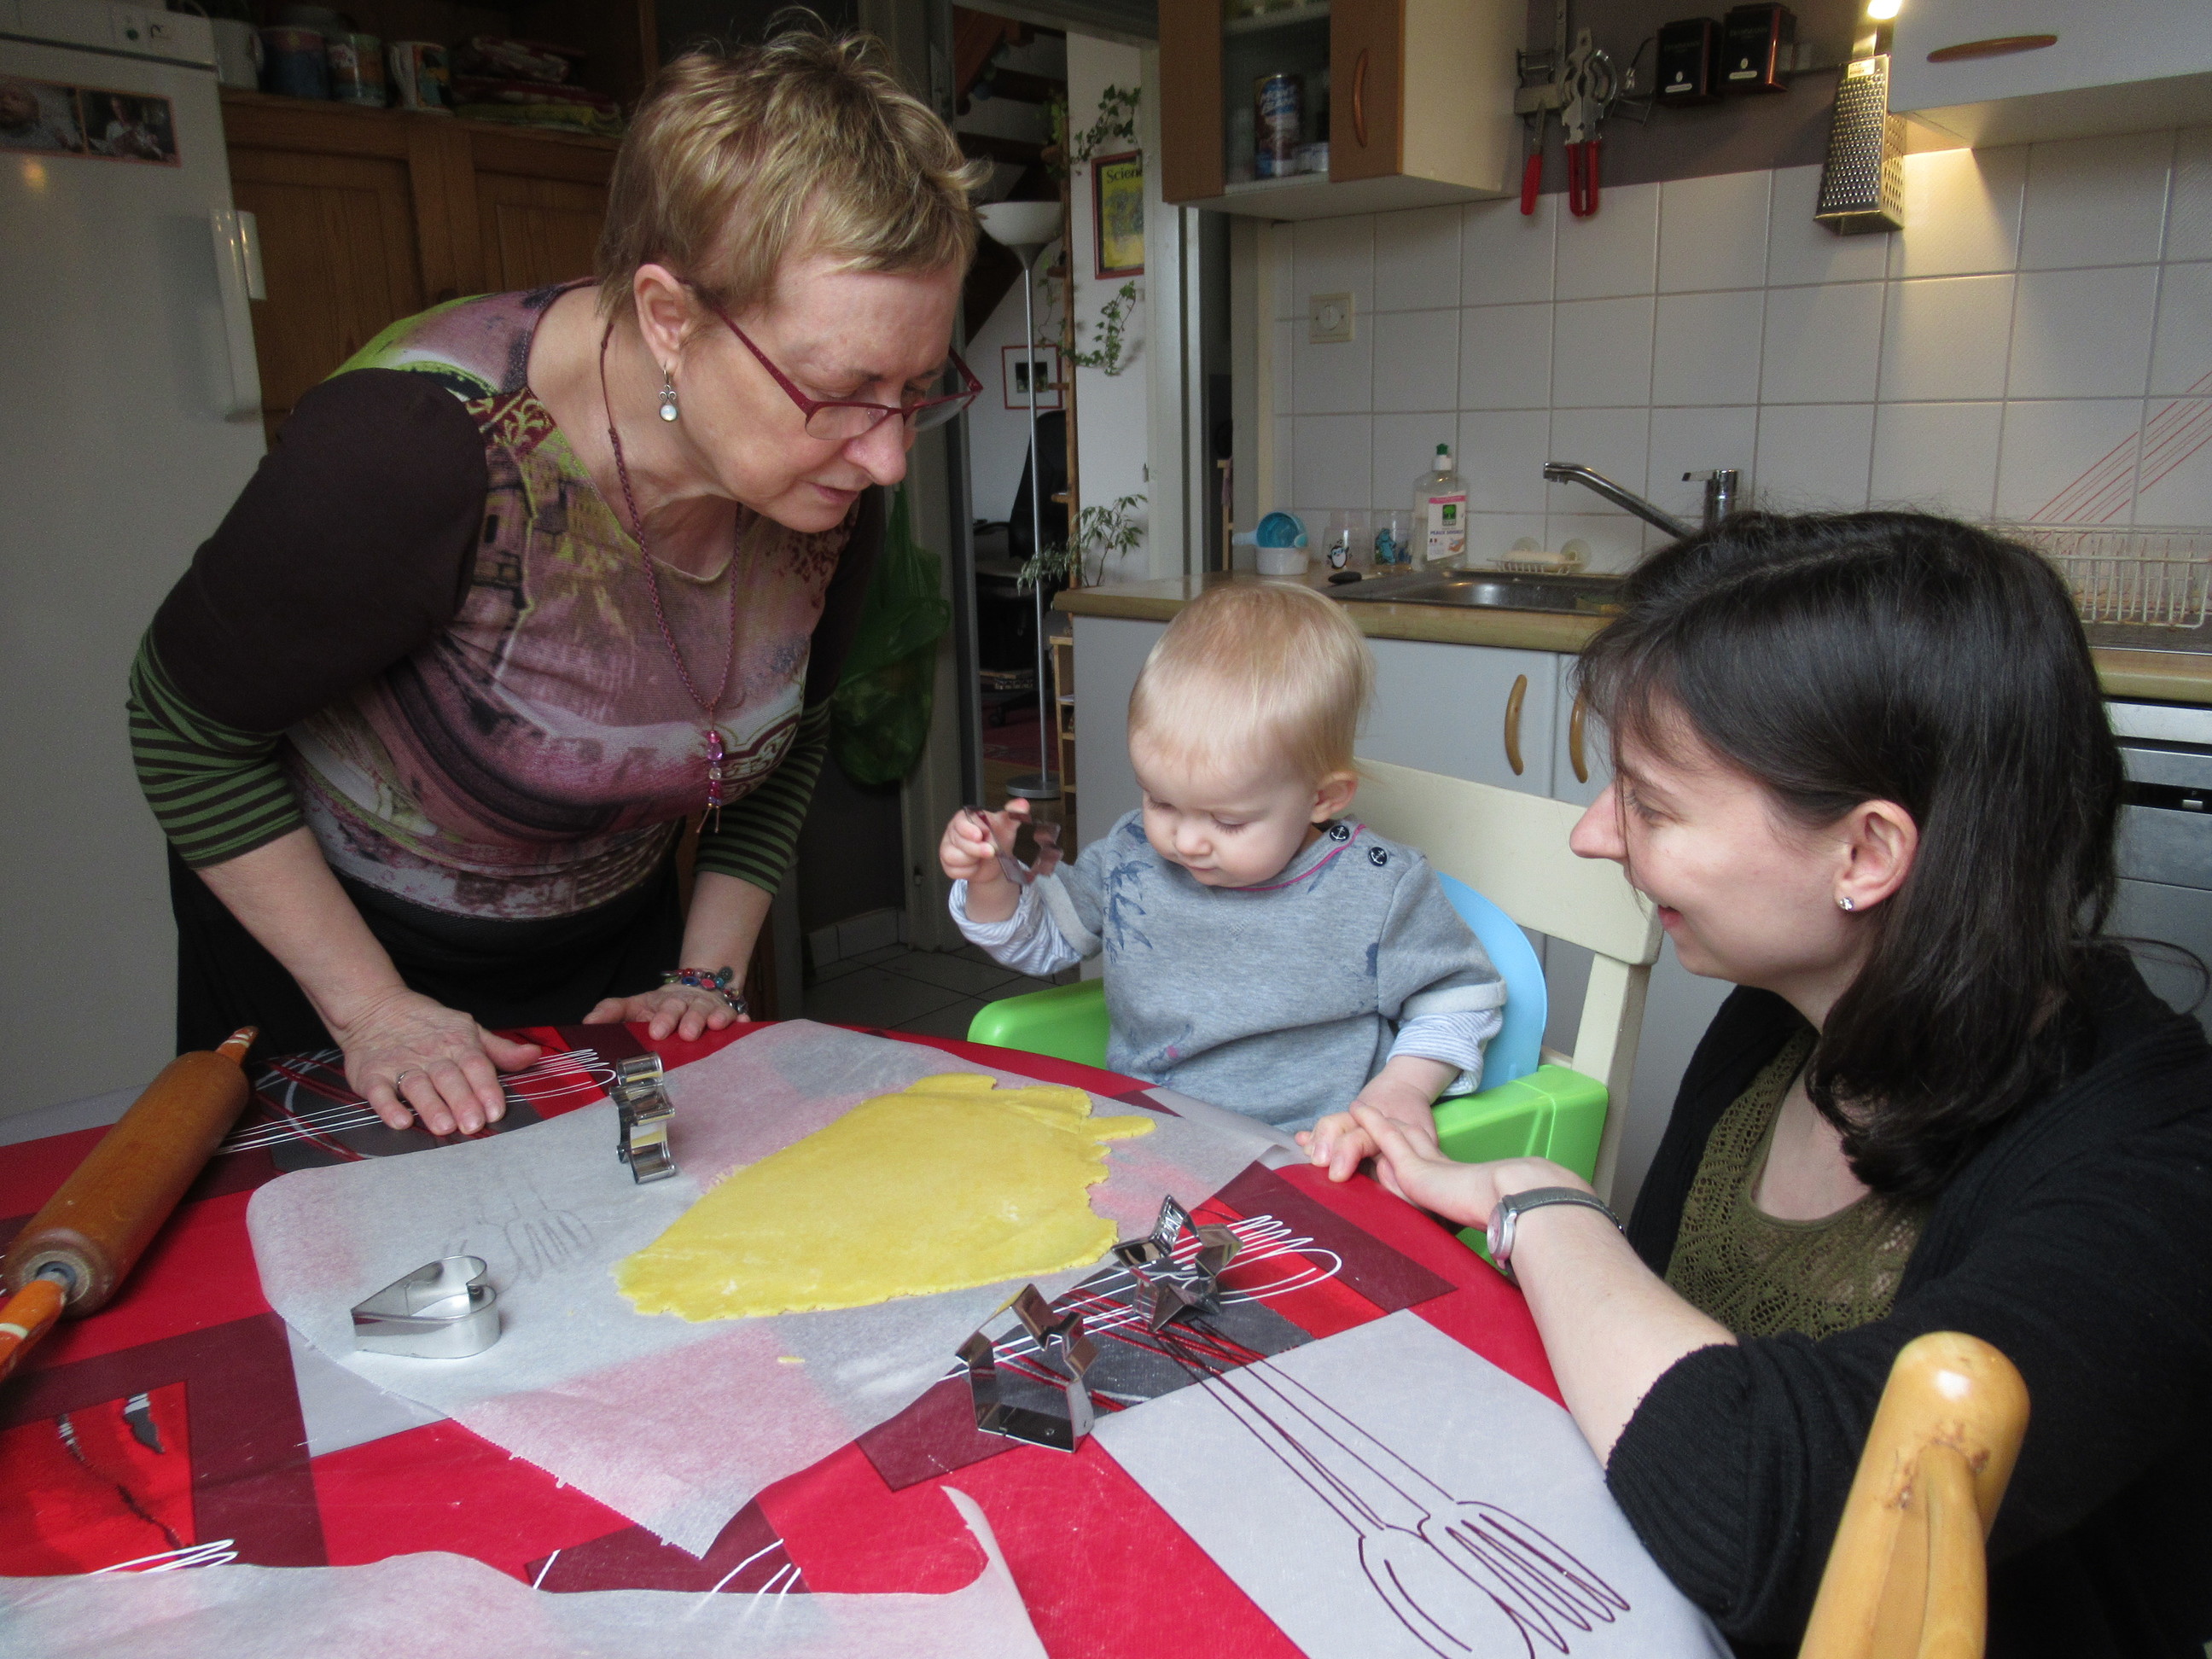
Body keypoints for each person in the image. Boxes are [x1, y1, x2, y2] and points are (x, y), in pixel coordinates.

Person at [1358, 512, 2212, 1654]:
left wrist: (1541, 1206)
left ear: (1866, 854)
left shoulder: (2155, 1172)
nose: (1594, 836)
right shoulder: (1778, 1019)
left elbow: (1776, 1515)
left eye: (1651, 803)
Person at [130, 29, 985, 1138]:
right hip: (343, 984)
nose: (889, 457)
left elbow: (793, 729)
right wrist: (372, 1008)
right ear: (670, 318)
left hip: (613, 958)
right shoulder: (417, 449)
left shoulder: (827, 485)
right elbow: (183, 729)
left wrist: (707, 975)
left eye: (915, 390)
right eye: (843, 389)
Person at [940, 580, 1505, 1139]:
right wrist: (990, 878)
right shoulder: (1132, 855)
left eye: (1228, 821)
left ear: (1322, 798)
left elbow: (1459, 999)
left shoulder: (1378, 888)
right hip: (1152, 1135)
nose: (1186, 842)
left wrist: (1403, 1088)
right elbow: (1039, 941)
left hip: (1308, 1153)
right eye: (1161, 801)